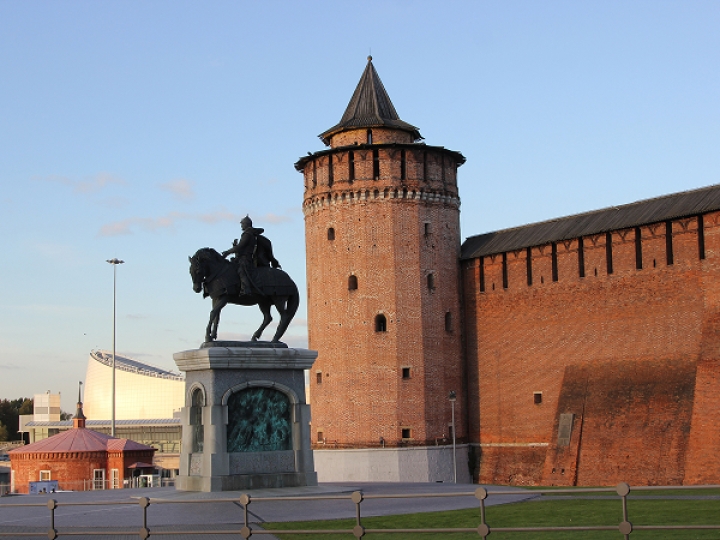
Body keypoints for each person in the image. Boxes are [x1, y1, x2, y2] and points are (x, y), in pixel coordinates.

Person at [222, 216, 269, 295]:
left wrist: (228, 252)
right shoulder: (248, 233)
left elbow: (240, 246)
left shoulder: (248, 234)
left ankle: (246, 289)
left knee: (241, 271)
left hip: (245, 259)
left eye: (242, 224)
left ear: (246, 224)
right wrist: (235, 246)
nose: (241, 226)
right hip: (241, 258)